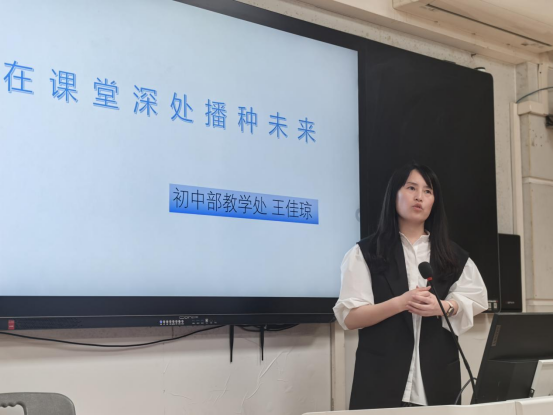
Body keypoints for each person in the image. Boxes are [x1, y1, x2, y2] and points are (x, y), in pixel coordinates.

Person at [334, 162, 488, 409]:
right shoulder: (365, 252)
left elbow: (477, 299)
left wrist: (445, 306)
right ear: (394, 195)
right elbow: (350, 317)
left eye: (428, 191)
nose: (419, 197)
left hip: (437, 383)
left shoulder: (453, 255)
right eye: (411, 188)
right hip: (380, 383)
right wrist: (400, 303)